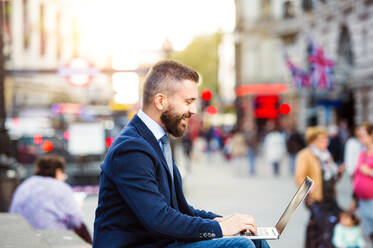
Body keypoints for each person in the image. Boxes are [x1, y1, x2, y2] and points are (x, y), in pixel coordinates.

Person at [93, 60, 269, 248]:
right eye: (188, 102)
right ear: (160, 101)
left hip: (161, 243)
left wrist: (223, 221)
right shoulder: (131, 148)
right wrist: (219, 229)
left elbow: (180, 209)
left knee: (254, 240)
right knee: (241, 246)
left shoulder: (155, 140)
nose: (193, 110)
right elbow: (159, 219)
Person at [9, 155, 92, 244]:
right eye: (64, 173)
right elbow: (76, 220)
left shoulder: (24, 186)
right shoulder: (60, 187)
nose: (64, 177)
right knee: (81, 228)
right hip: (52, 240)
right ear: (58, 171)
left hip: (22, 240)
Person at [295, 126, 345, 248]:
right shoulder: (305, 155)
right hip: (316, 198)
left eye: (326, 139)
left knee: (324, 227)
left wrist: (339, 172)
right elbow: (299, 177)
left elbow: (332, 179)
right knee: (322, 227)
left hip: (330, 198)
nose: (326, 142)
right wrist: (310, 189)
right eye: (322, 140)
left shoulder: (327, 155)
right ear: (312, 141)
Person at [351, 123, 373, 246]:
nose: (360, 139)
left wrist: (369, 172)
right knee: (366, 234)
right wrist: (354, 198)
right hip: (362, 200)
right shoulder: (362, 152)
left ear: (372, 135)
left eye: (363, 135)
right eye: (359, 136)